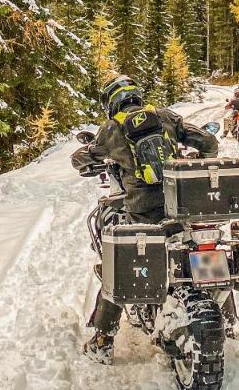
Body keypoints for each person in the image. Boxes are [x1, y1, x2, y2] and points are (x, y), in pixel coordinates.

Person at [72, 75, 219, 364]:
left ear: (111, 103)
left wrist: (88, 155)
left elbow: (81, 159)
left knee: (118, 262)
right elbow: (209, 142)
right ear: (137, 96)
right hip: (183, 210)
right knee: (208, 253)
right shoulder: (165, 117)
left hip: (142, 211)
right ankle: (228, 319)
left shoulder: (112, 130)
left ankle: (102, 341)